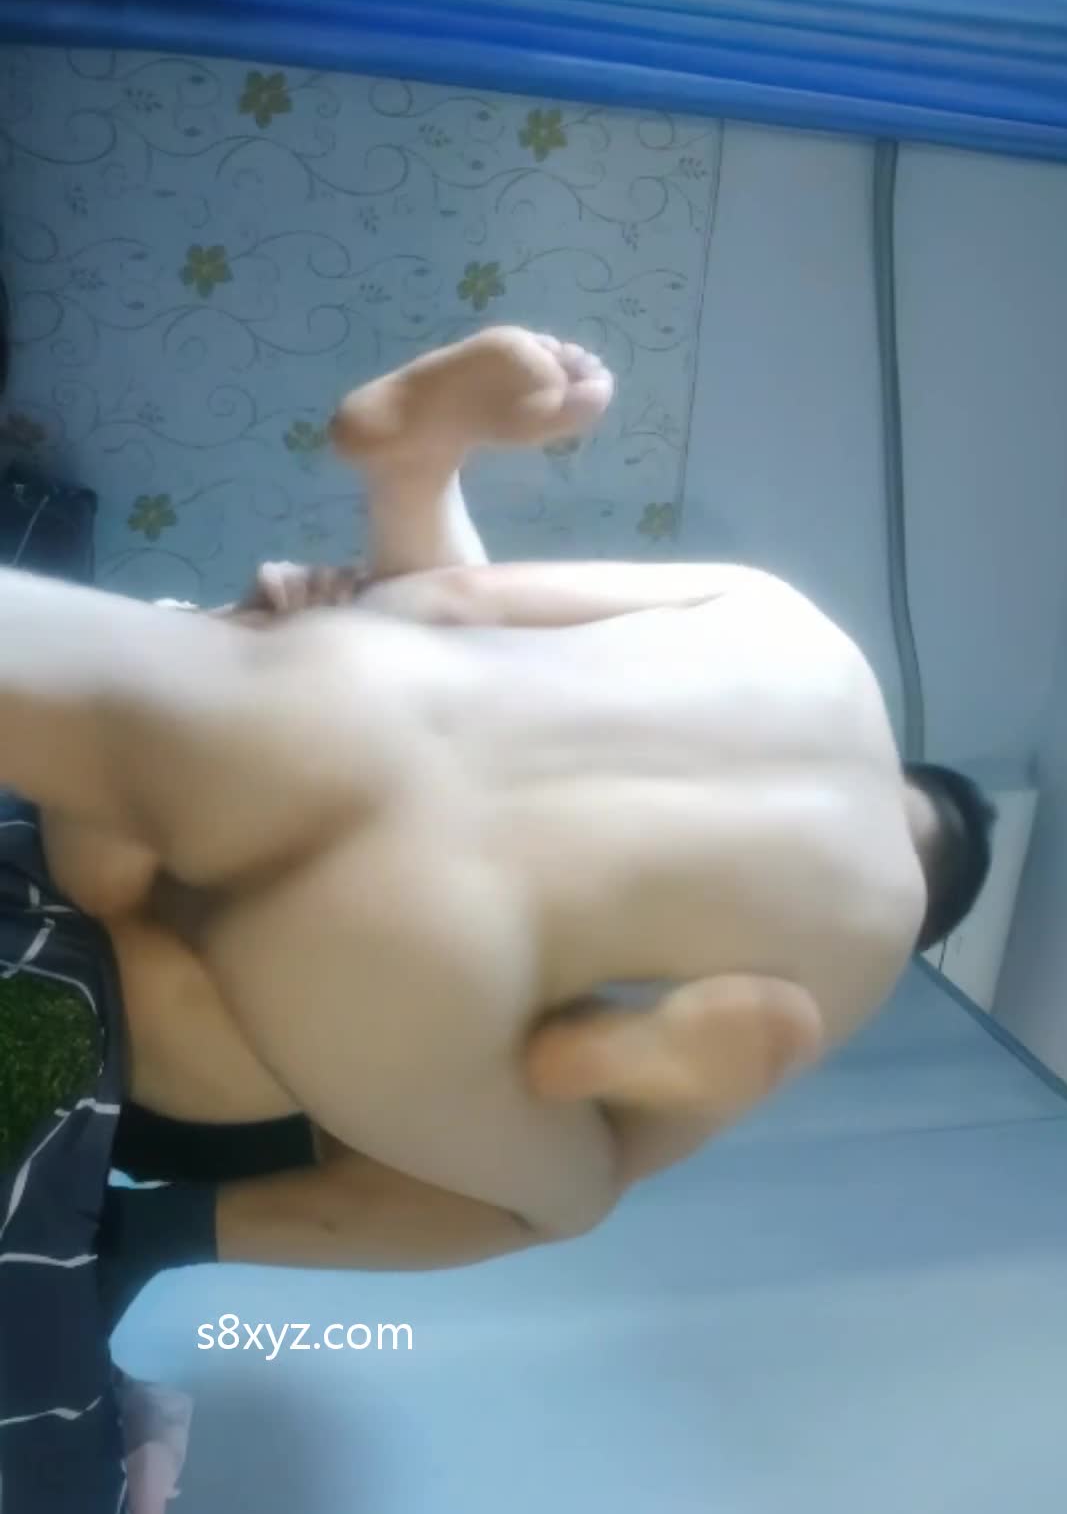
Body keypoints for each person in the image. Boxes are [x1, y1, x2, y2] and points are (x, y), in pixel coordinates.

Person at [9, 327, 995, 1275]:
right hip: (422, 950)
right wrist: (609, 1089)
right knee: (574, 1194)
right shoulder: (865, 942)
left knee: (123, 736)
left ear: (911, 769)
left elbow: (456, 605)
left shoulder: (793, 627)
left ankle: (417, 464)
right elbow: (639, 1152)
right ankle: (602, 1061)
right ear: (925, 917)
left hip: (349, 703)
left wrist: (310, 619)